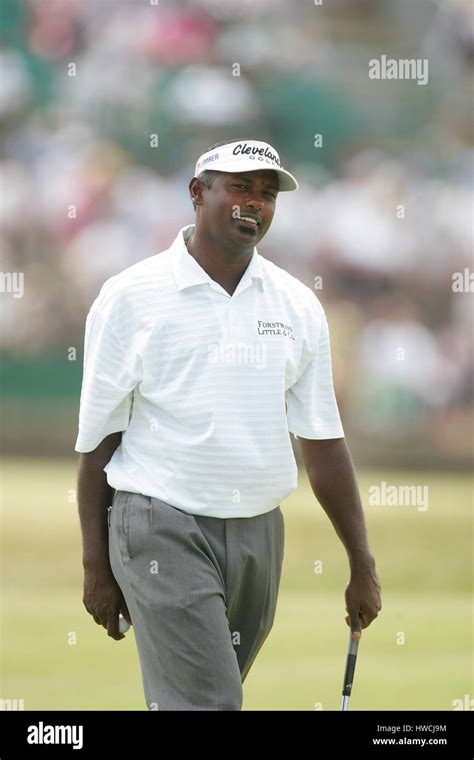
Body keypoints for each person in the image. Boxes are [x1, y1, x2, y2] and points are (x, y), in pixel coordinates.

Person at [75, 138, 382, 711]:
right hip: (158, 521)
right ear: (198, 193)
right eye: (240, 187)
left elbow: (323, 442)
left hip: (258, 533)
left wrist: (360, 560)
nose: (256, 203)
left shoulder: (296, 304)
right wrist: (96, 563)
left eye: (267, 194)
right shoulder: (129, 297)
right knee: (211, 703)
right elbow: (98, 445)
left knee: (195, 699)